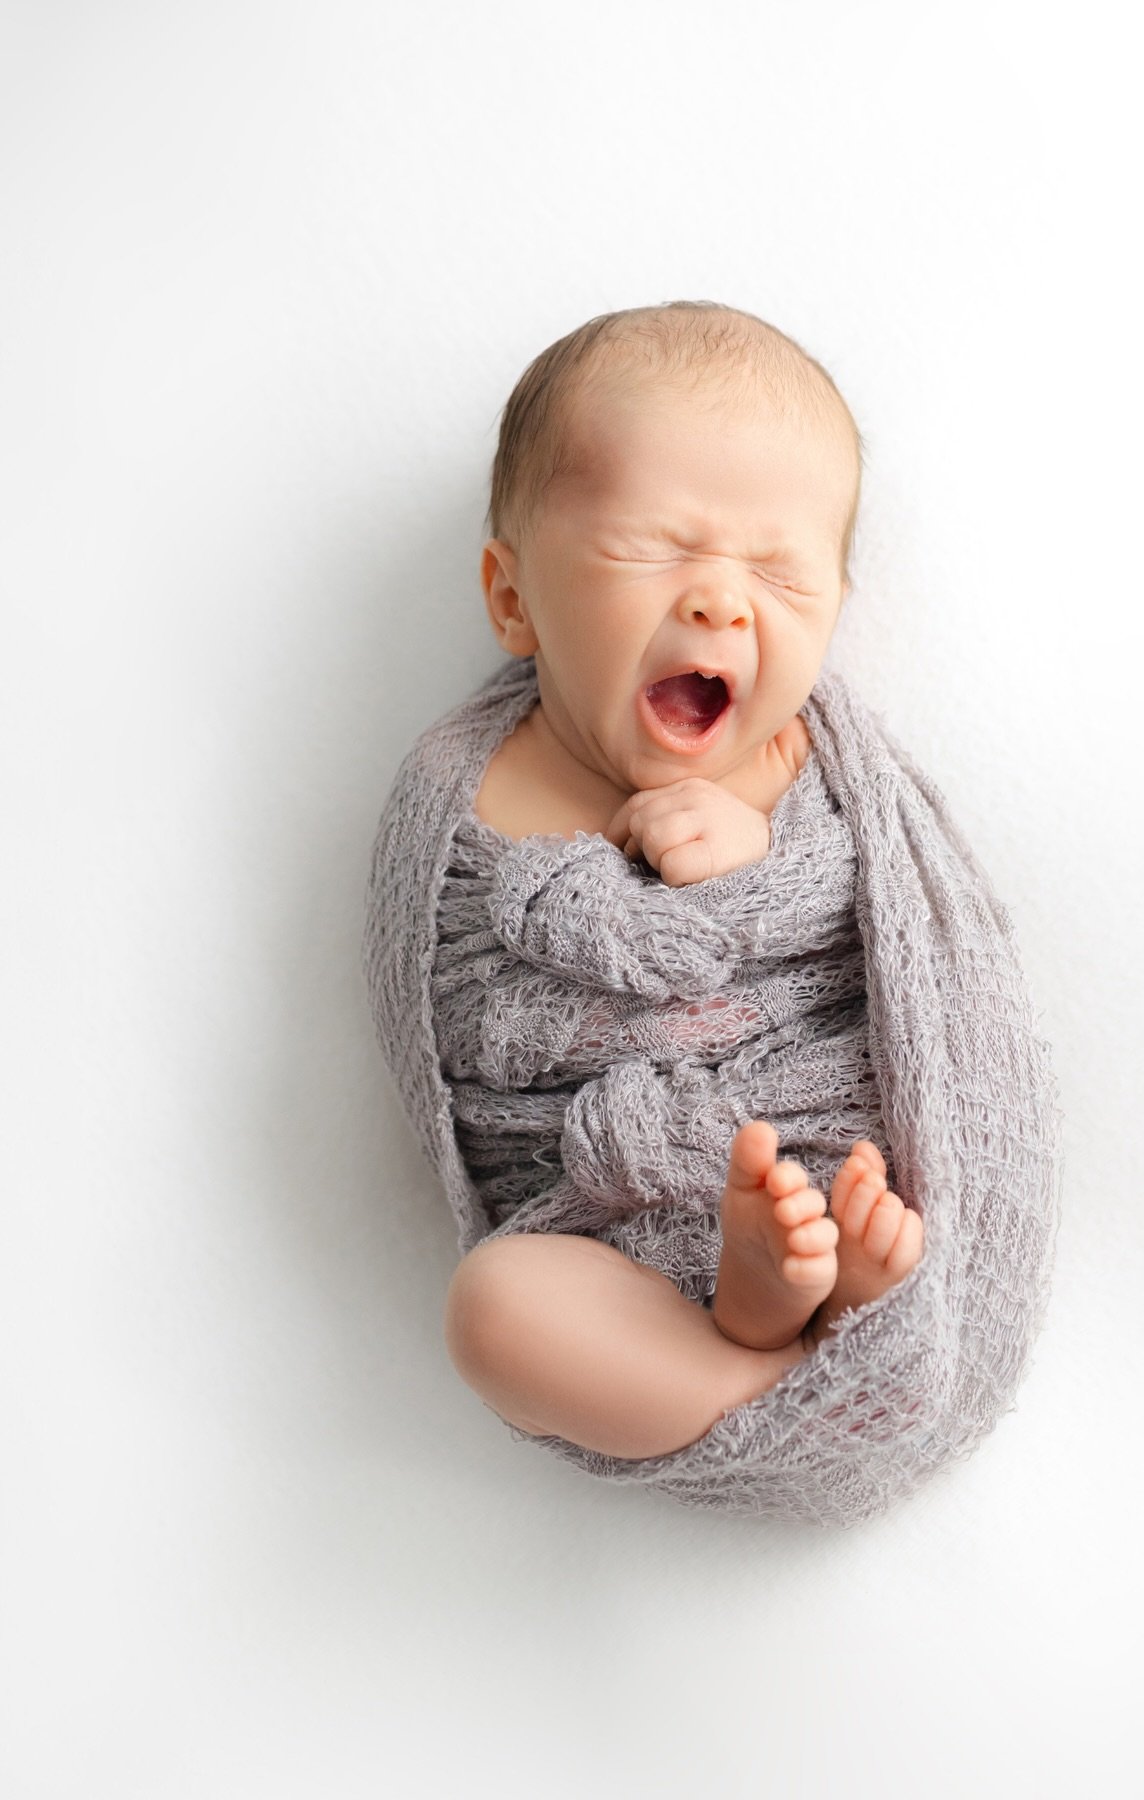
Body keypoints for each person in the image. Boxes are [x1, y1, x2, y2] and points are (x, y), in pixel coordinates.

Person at [440, 302, 924, 1460]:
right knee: (493, 1309)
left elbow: (899, 942)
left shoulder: (812, 769)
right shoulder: (462, 796)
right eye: (655, 548)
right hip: (602, 1229)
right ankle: (772, 1364)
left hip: (808, 1143)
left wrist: (759, 872)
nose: (721, 600)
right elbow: (456, 1010)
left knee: (869, 1198)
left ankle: (803, 1290)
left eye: (780, 572)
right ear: (513, 598)